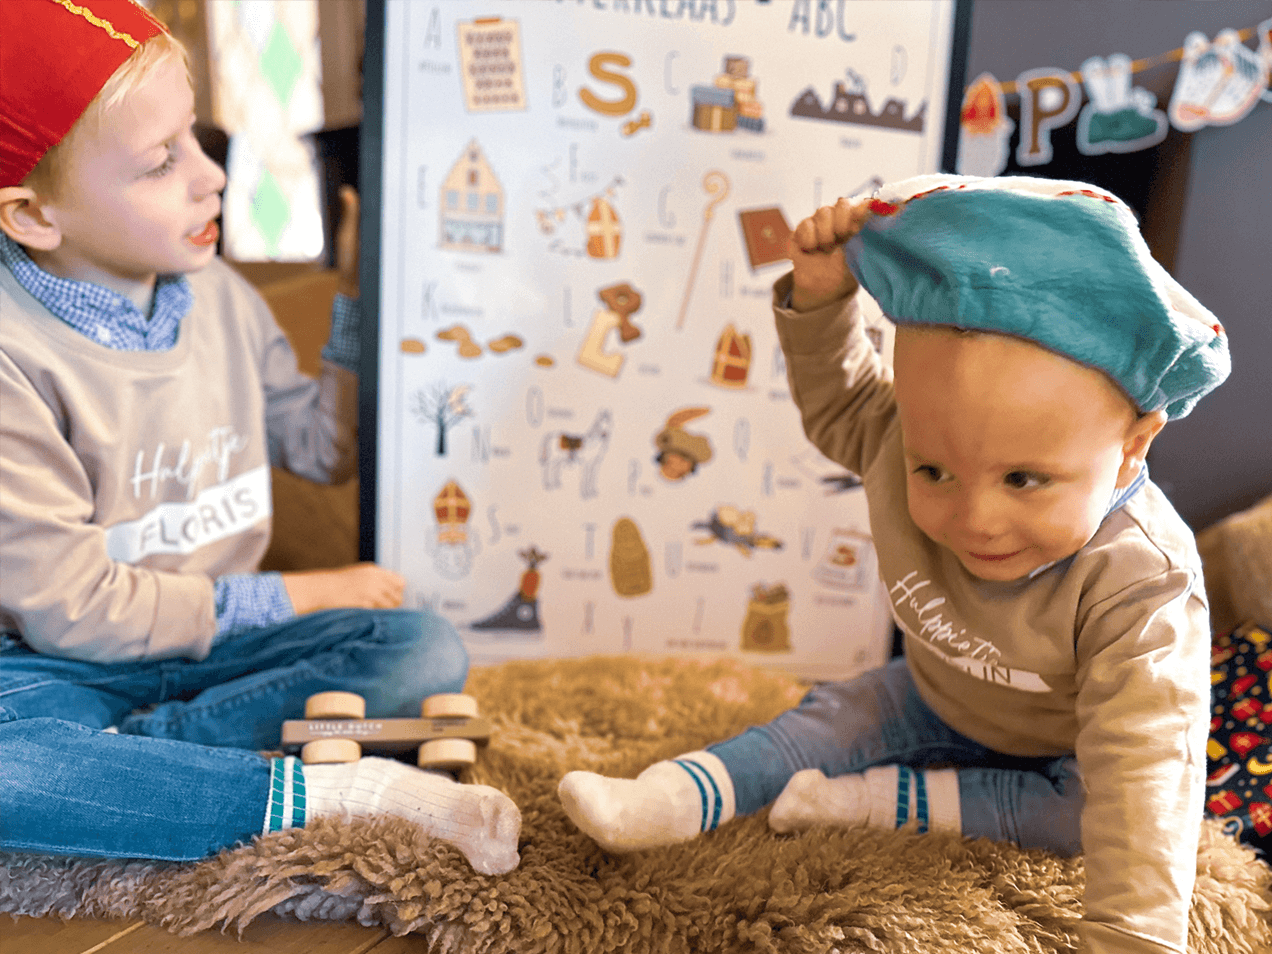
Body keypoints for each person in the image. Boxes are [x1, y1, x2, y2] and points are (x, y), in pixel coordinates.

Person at [559, 173, 1230, 954]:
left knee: (1086, 815)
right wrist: (821, 299)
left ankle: (879, 802)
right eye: (933, 471)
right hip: (931, 694)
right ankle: (672, 794)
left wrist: (1131, 934)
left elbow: (1148, 767)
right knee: (823, 722)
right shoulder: (896, 439)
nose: (974, 521)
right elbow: (844, 401)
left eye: (1024, 480)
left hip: (1064, 754)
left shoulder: (1144, 579)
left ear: (1131, 449)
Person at [0, 0, 519, 876]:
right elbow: (76, 610)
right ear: (35, 216)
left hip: (217, 656)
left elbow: (321, 450)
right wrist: (301, 595)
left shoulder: (222, 298)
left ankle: (138, 766)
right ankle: (321, 794)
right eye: (162, 162)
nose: (212, 178)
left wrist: (354, 297)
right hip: (62, 664)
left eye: (196, 139)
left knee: (420, 647)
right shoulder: (16, 358)